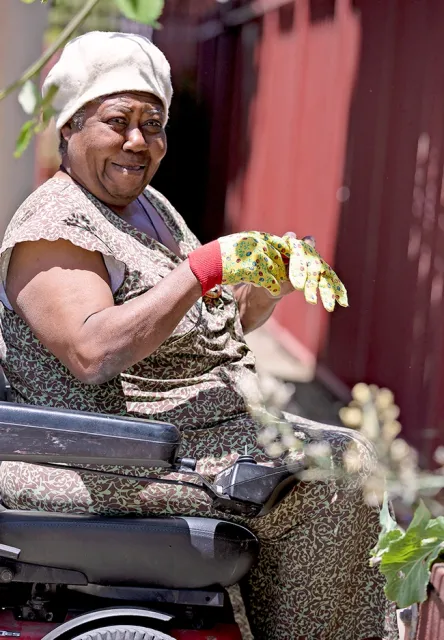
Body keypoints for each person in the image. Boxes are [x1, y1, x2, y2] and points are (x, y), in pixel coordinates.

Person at [0, 32, 397, 640]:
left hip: (188, 436)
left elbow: (202, 322)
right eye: (118, 121)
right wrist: (204, 266)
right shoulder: (55, 225)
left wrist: (265, 283)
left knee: (345, 459)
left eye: (152, 124)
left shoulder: (149, 207)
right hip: (110, 453)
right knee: (337, 474)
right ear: (70, 127)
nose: (139, 141)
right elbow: (94, 350)